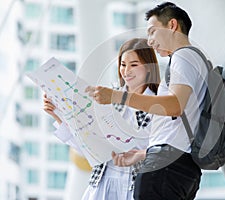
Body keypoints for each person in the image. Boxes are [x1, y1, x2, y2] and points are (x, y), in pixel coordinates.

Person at [86, 2, 209, 200]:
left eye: (153, 32)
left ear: (172, 25)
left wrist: (118, 96)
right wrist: (142, 154)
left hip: (166, 166)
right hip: (179, 165)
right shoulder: (196, 59)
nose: (150, 41)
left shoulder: (184, 57)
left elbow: (175, 106)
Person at [43, 38, 161, 200]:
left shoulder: (158, 105)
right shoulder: (106, 99)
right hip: (102, 184)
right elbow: (87, 148)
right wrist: (58, 114)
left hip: (134, 187)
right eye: (123, 64)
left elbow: (160, 149)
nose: (126, 71)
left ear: (149, 67)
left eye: (134, 65)